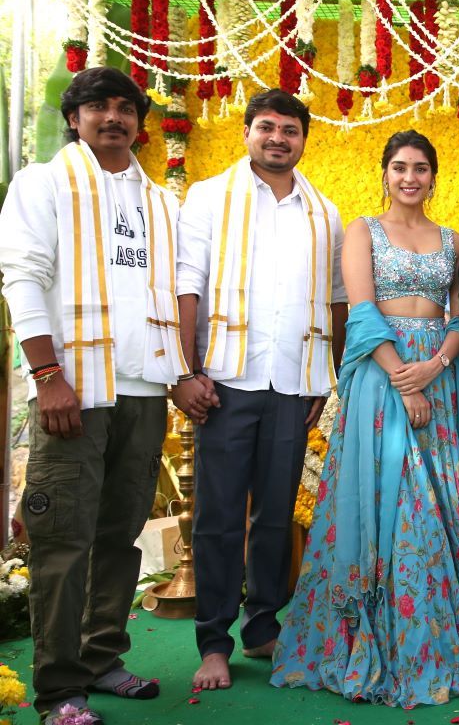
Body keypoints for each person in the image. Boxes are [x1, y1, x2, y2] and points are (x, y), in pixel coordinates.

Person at [269, 131, 459, 705]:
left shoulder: (451, 239)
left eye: (420, 168)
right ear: (385, 174)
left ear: (433, 177)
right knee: (399, 502)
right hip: (383, 375)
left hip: (441, 378)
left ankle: (439, 642)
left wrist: (436, 366)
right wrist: (405, 378)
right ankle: (381, 642)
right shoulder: (363, 231)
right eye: (400, 167)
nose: (410, 177)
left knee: (443, 500)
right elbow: (362, 311)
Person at [0, 66, 188, 723]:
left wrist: (182, 373)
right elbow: (23, 278)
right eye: (99, 106)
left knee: (119, 534)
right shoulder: (42, 184)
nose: (114, 117)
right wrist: (47, 376)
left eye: (126, 108)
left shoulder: (161, 202)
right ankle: (59, 689)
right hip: (72, 391)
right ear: (74, 118)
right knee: (63, 539)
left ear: (140, 122)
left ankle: (102, 657)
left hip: (143, 390)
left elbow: (174, 293)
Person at [175, 89, 348, 690]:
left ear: (304, 140)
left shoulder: (323, 212)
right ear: (246, 132)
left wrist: (326, 375)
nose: (278, 138)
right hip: (225, 379)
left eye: (290, 130)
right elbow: (187, 284)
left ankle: (262, 627)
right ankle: (214, 643)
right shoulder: (209, 197)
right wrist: (186, 370)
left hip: (294, 383)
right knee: (220, 517)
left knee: (276, 515)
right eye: (267, 127)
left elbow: (336, 300)